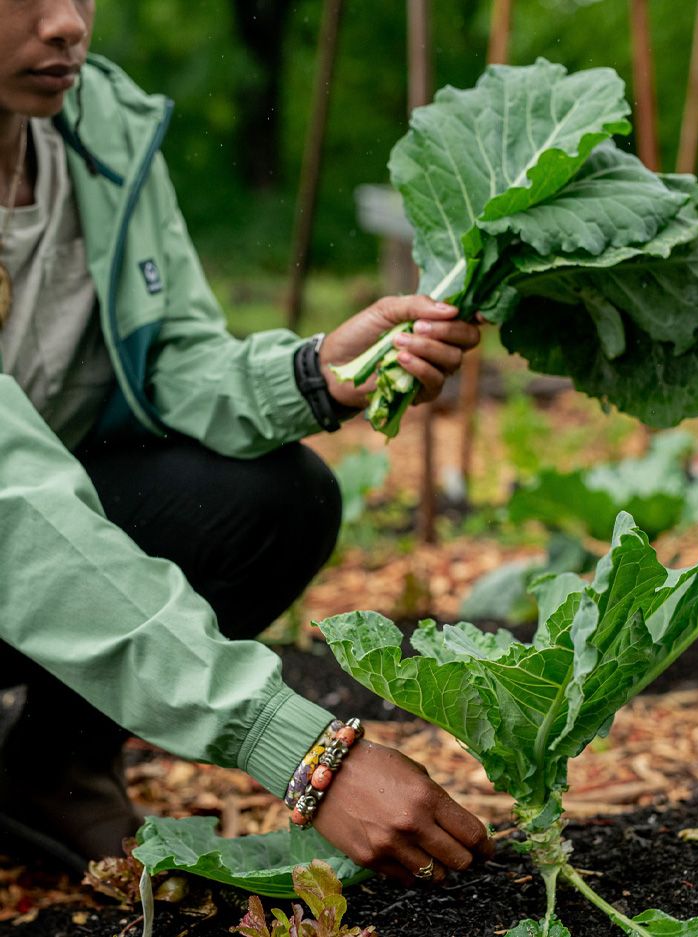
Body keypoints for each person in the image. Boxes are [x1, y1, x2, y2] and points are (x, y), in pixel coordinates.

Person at [0, 0, 492, 885]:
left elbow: (173, 350)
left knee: (273, 499)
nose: (68, 22)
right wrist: (301, 749)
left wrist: (312, 375)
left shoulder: (99, 124)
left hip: (38, 541)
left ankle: (46, 774)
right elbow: (16, 512)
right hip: (16, 538)